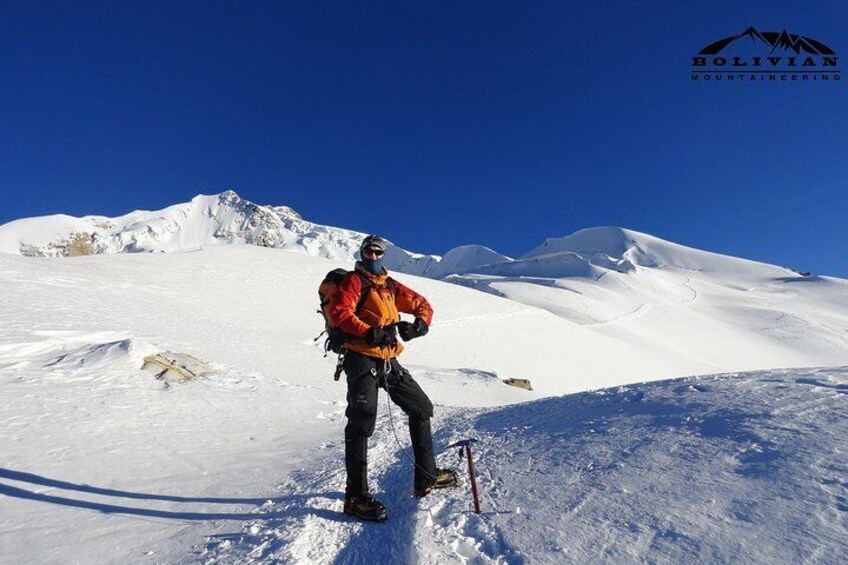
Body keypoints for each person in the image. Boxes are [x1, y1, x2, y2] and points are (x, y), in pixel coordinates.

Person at [328, 234, 457, 522]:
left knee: (421, 408)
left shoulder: (389, 285)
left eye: (377, 252)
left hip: (388, 359)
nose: (373, 257)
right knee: (362, 422)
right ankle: (355, 497)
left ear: (383, 255)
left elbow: (422, 303)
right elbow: (340, 312)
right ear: (362, 254)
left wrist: (420, 325)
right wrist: (369, 332)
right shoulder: (353, 281)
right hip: (360, 357)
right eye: (368, 252)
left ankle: (426, 476)